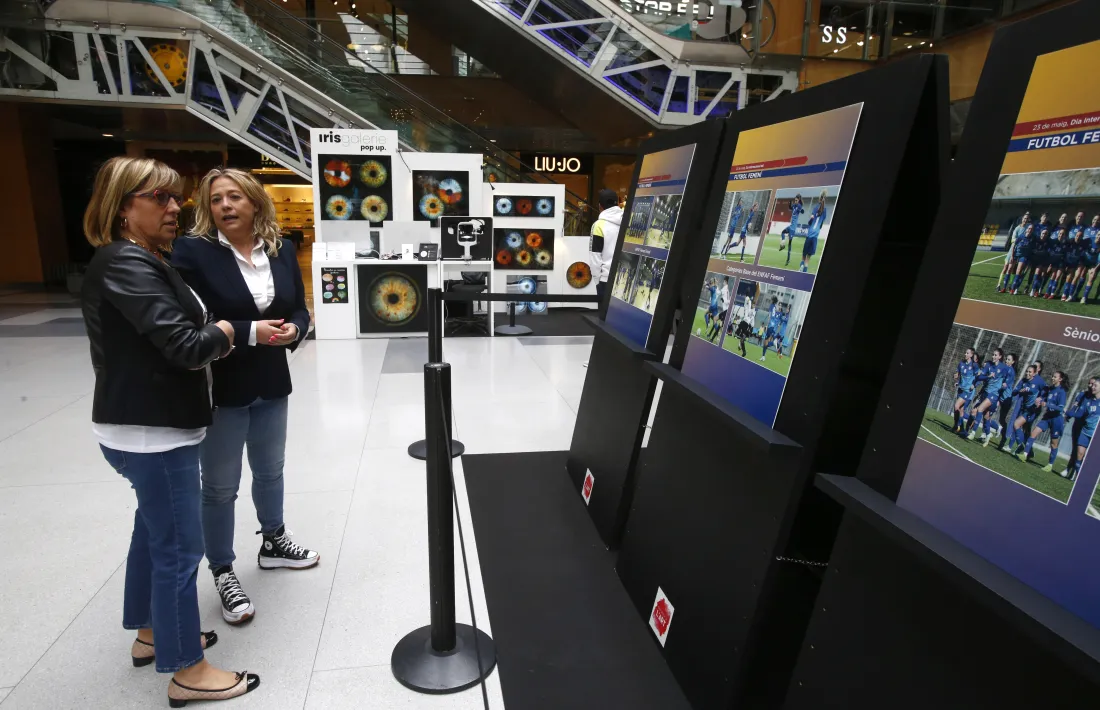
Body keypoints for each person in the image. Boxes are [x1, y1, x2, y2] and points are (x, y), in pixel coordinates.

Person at [81, 156, 259, 705]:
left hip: (145, 428)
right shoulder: (126, 263)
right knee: (179, 549)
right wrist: (225, 332)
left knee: (152, 532)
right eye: (159, 198)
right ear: (122, 206)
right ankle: (187, 670)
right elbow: (183, 345)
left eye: (175, 197)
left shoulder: (138, 259)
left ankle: (151, 632)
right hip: (153, 434)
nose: (174, 207)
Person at [172, 167, 317, 626]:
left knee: (270, 470)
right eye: (216, 200)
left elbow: (296, 304)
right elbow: (193, 317)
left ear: (255, 202)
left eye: (235, 197)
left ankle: (273, 540)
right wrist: (252, 332)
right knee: (218, 486)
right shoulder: (191, 252)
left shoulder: (281, 248)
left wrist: (297, 327)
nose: (226, 207)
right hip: (222, 383)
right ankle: (222, 568)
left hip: (272, 380)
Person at [1023, 370, 1068, 472]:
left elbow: (1061, 408)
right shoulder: (1050, 389)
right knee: (1034, 433)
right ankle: (1024, 454)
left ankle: (1050, 465)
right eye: (1052, 376)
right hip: (1047, 417)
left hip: (1057, 420)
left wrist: (1046, 404)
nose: (1052, 378)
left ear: (1060, 379)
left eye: (1055, 377)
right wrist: (1040, 400)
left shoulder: (1062, 392)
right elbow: (1044, 398)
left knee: (1053, 444)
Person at [590, 189, 623, 301]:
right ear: (618, 203)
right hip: (625, 279)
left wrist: (597, 280)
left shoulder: (599, 225)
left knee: (605, 316)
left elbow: (595, 255)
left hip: (606, 279)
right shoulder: (628, 220)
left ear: (600, 206)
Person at [1065, 376, 1100, 481]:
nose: (1092, 387)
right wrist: (1066, 411)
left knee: (1092, 459)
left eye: (1095, 385)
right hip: (1085, 431)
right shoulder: (1087, 400)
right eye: (1092, 385)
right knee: (1079, 454)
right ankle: (1078, 476)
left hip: (1096, 435)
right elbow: (1080, 414)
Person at [952, 348, 979, 433]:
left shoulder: (974, 365)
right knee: (959, 410)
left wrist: (973, 384)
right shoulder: (961, 363)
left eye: (967, 353)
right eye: (965, 353)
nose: (965, 354)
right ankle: (960, 428)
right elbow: (958, 374)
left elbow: (978, 377)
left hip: (967, 391)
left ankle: (957, 426)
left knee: (957, 406)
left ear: (971, 355)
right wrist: (956, 379)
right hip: (961, 389)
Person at [779, 193, 804, 267]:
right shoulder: (794, 205)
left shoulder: (799, 206)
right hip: (790, 226)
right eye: (795, 200)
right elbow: (790, 208)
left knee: (790, 243)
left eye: (796, 200)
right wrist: (789, 204)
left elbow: (802, 211)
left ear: (799, 200)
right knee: (783, 232)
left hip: (793, 229)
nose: (795, 201)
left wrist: (801, 210)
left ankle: (788, 259)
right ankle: (783, 245)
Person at [707, 277, 730, 342]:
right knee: (715, 319)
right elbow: (728, 300)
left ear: (725, 281)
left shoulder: (725, 289)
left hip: (726, 311)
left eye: (723, 281)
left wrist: (715, 285)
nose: (723, 283)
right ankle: (714, 336)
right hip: (725, 311)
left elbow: (718, 292)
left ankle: (714, 338)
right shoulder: (726, 289)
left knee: (720, 325)